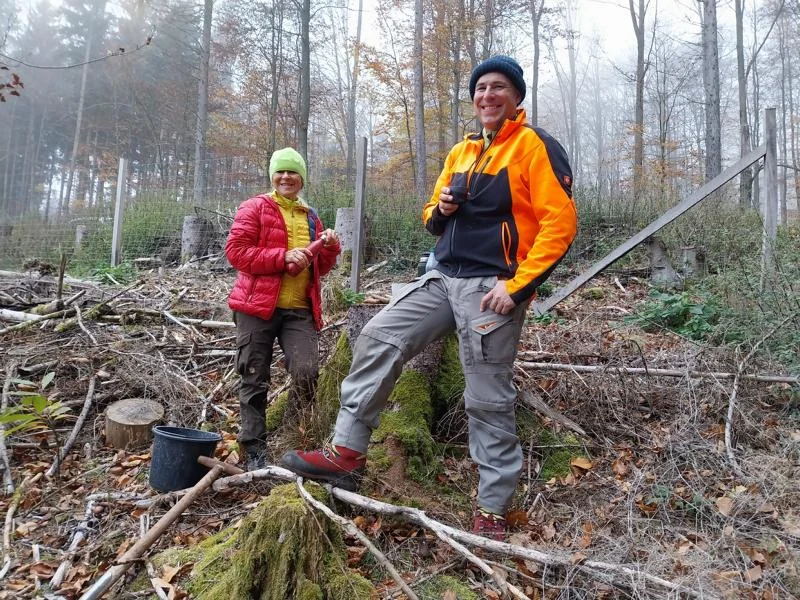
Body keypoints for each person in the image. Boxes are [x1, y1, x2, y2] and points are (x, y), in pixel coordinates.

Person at [282, 56, 577, 540]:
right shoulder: (462, 151)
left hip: (491, 287)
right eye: (480, 88)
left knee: (486, 395)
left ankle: (493, 507)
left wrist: (517, 285)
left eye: (498, 87)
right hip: (442, 277)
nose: (487, 96)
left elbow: (560, 223)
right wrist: (441, 208)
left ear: (516, 97)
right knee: (378, 335)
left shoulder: (533, 146)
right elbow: (430, 218)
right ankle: (346, 453)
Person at [225, 147, 341, 470]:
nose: (287, 177)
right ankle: (254, 448)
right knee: (254, 375)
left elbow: (321, 267)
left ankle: (293, 438)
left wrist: (331, 248)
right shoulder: (255, 208)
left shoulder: (311, 216)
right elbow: (236, 252)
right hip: (256, 307)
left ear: (302, 178)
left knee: (307, 371)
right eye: (281, 171)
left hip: (299, 310)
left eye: (293, 172)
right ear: (272, 176)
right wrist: (282, 257)